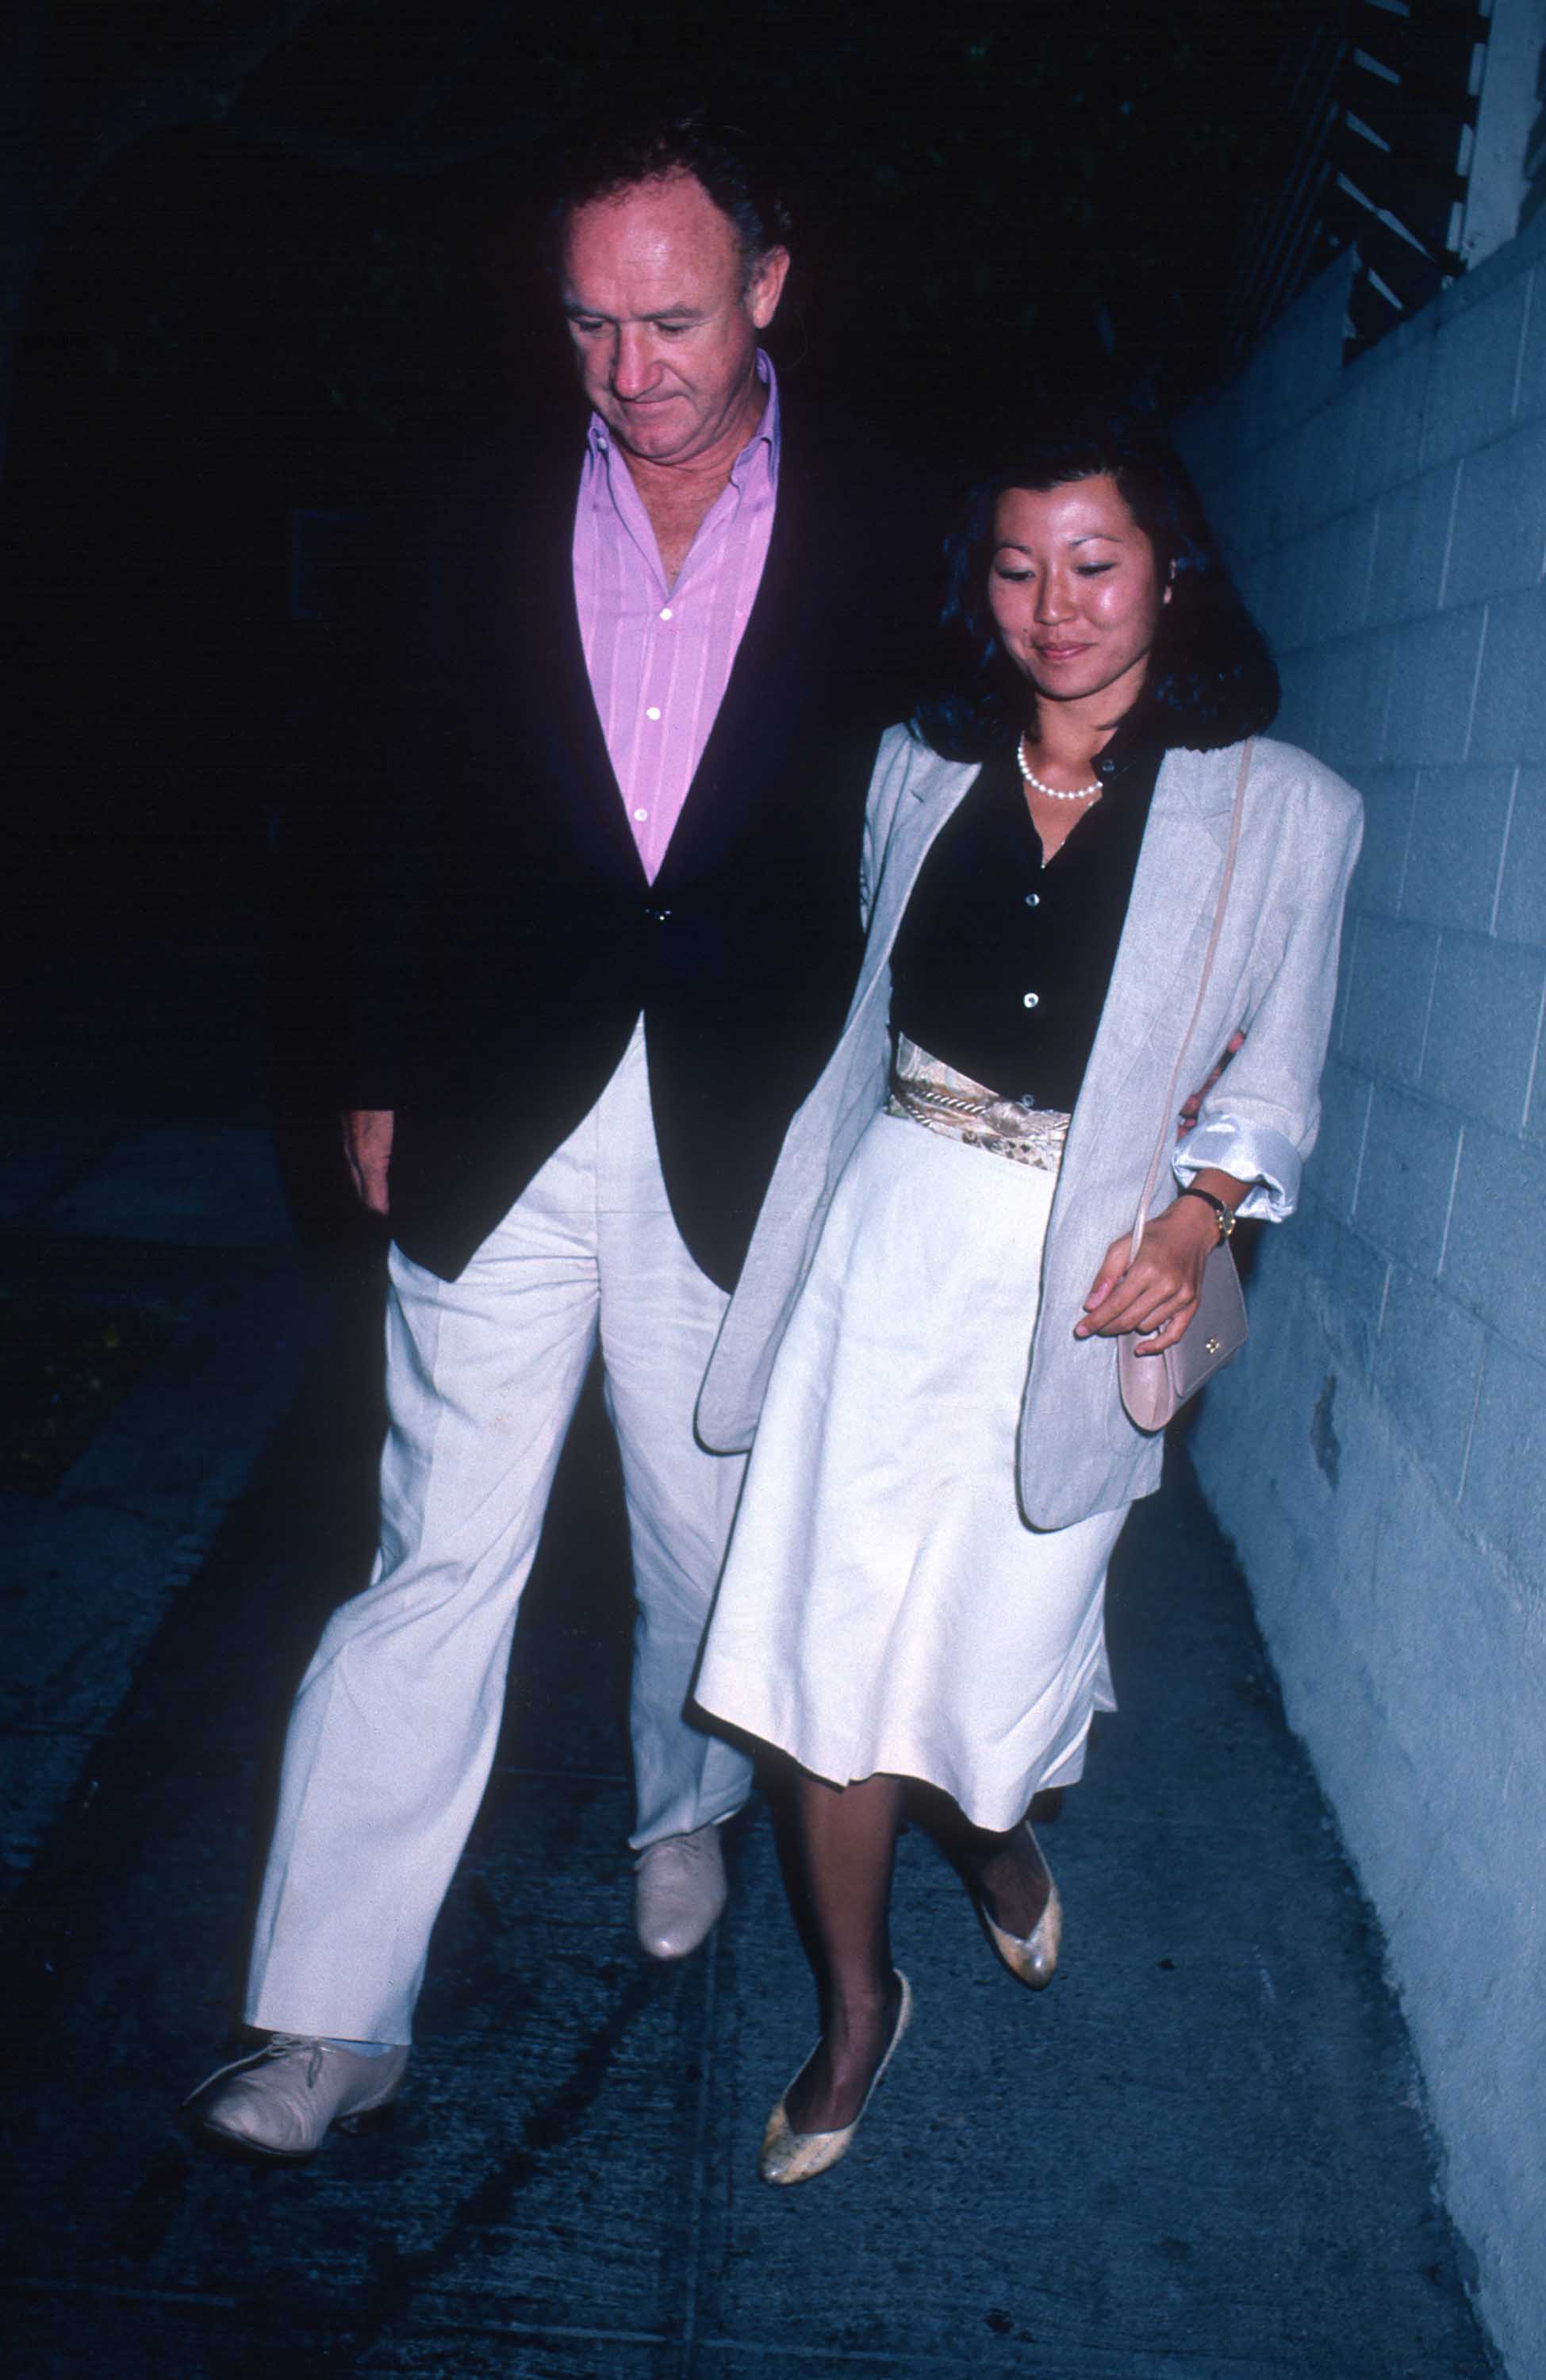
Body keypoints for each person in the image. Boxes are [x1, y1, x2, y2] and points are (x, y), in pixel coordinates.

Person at [187, 113, 927, 2159]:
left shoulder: (894, 516)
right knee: (435, 1554)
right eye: (592, 324)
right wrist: (361, 1057)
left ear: (769, 287)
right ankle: (325, 2017)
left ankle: (679, 1800)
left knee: (708, 1543)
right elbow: (358, 802)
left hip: (746, 1122)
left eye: (675, 318)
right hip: (498, 1100)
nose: (633, 370)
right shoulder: (465, 505)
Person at [691, 405, 1363, 2186]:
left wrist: (1206, 1212)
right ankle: (854, 2009)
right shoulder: (918, 767)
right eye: (1017, 565)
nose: (1057, 606)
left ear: (1171, 572)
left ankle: (992, 1840)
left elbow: (1275, 1080)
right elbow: (846, 1018)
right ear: (977, 585)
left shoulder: (1280, 812)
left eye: (1096, 562)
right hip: (887, 1244)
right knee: (824, 1657)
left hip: (1083, 1288)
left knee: (994, 1679)